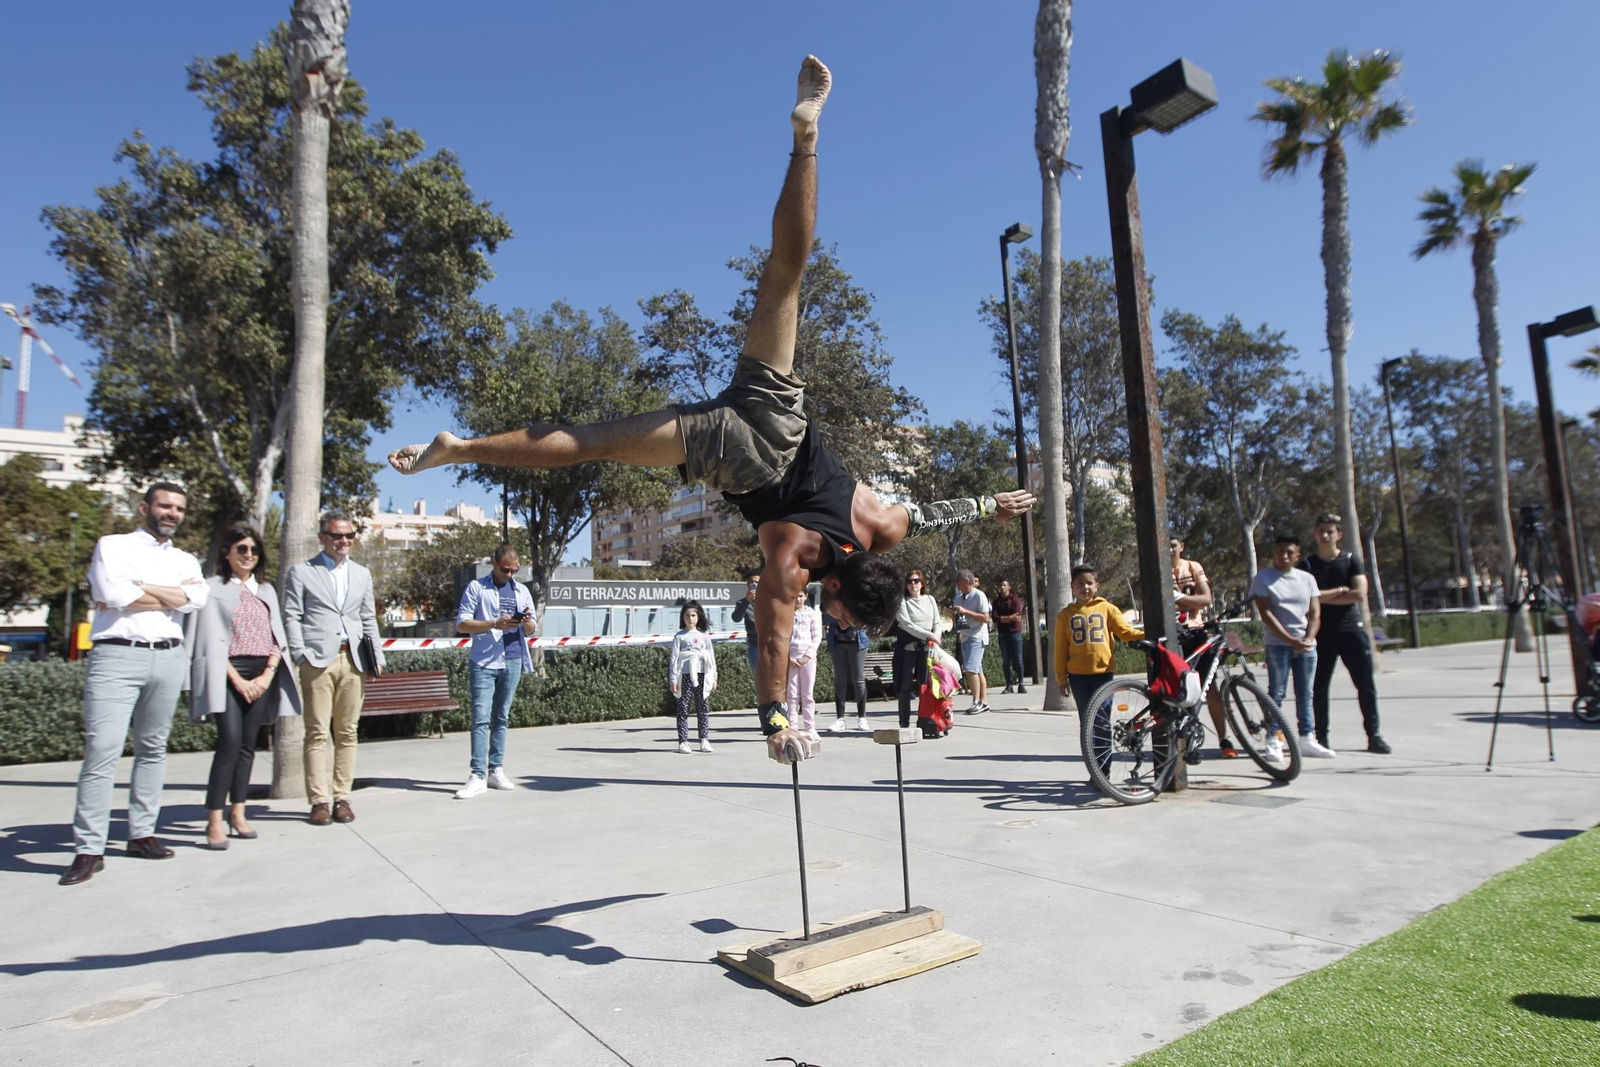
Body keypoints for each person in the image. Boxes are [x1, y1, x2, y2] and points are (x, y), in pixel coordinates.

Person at [385, 56, 1033, 765]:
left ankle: (806, 139)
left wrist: (990, 503)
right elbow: (776, 637)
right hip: (735, 453)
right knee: (591, 441)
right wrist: (773, 722)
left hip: (779, 412)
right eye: (846, 614)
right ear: (841, 591)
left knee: (787, 270)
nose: (840, 620)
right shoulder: (794, 559)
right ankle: (466, 446)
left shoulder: (883, 525)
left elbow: (936, 514)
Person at [60, 483, 208, 886]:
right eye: (164, 505)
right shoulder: (113, 545)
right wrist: (171, 596)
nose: (171, 513)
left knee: (153, 749)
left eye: (178, 508)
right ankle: (89, 848)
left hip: (168, 656)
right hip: (116, 655)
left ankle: (141, 834)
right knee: (102, 749)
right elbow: (111, 592)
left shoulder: (185, 558)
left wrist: (137, 590)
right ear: (145, 507)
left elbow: (197, 600)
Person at [186, 524, 302, 849]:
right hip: (227, 673)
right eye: (241, 549)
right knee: (229, 743)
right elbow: (209, 640)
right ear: (227, 552)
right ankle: (214, 821)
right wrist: (237, 680)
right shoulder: (211, 589)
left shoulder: (267, 591)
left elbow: (278, 639)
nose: (248, 555)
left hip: (261, 672)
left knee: (248, 747)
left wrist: (266, 675)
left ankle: (238, 814)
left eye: (253, 550)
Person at [283, 509, 385, 825]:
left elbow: (368, 618)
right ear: (323, 537)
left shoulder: (361, 574)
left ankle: (342, 798)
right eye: (337, 535)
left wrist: (376, 658)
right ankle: (319, 802)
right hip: (317, 660)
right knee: (316, 733)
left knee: (347, 732)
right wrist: (300, 653)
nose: (343, 541)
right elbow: (291, 615)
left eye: (349, 536)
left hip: (353, 660)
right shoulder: (301, 572)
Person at [1300, 513, 1391, 754]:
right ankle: (1321, 737)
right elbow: (1306, 597)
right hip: (1321, 634)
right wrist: (1340, 591)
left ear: (1339, 535)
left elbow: (1359, 594)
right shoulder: (1307, 566)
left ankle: (1374, 736)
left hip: (1352, 632)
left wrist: (1322, 596)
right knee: (1318, 688)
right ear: (1315, 533)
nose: (1325, 535)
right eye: (1321, 530)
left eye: (1330, 531)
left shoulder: (1351, 561)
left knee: (1365, 686)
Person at [453, 543, 537, 798]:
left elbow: (532, 629)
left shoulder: (522, 591)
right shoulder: (477, 587)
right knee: (480, 717)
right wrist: (493, 624)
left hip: (512, 659)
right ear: (494, 563)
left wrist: (527, 622)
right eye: (505, 569)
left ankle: (495, 769)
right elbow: (462, 624)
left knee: (501, 717)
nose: (509, 574)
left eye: (515, 570)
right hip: (484, 661)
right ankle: (477, 775)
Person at [1249, 534, 1334, 758]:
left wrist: (1308, 638)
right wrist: (1289, 639)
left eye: (1289, 552)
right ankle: (1273, 739)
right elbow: (1266, 614)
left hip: (1306, 646)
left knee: (1306, 692)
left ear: (1297, 555)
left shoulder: (1307, 579)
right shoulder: (1263, 579)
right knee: (1276, 693)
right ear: (1273, 552)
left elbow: (1315, 612)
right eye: (1279, 551)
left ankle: (1307, 737)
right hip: (1278, 645)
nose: (1283, 556)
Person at [1171, 536, 1236, 758]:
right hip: (1174, 635)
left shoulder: (1193, 566)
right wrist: (1190, 601)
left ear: (1181, 547)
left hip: (1197, 631)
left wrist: (1179, 598)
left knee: (1211, 688)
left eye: (1173, 545)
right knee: (1180, 689)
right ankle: (1182, 741)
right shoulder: (1160, 570)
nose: (1170, 550)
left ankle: (1223, 739)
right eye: (1165, 546)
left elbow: (1206, 599)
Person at [1053, 564, 1144, 715]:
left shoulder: (1107, 608)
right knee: (1086, 718)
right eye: (1080, 583)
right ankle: (1088, 740)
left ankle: (1104, 741)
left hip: (1104, 674)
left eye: (1089, 583)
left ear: (1097, 586)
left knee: (1102, 718)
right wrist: (1062, 680)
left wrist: (1147, 634)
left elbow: (1126, 632)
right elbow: (1060, 650)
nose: (1085, 587)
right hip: (1077, 676)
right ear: (1072, 586)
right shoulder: (1065, 615)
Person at [892, 570, 940, 729]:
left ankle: (925, 720)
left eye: (916, 580)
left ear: (922, 583)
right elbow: (906, 624)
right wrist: (929, 635)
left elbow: (937, 621)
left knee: (925, 685)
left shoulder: (930, 599)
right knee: (905, 686)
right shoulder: (902, 601)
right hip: (908, 647)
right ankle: (904, 723)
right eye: (910, 581)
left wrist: (936, 635)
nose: (913, 584)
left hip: (928, 647)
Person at [669, 600, 719, 753]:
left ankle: (704, 739)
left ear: (698, 617)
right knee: (683, 707)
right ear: (682, 618)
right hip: (684, 675)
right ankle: (683, 741)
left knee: (703, 707)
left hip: (702, 674)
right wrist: (672, 679)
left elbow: (711, 656)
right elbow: (674, 658)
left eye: (693, 615)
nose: (690, 618)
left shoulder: (704, 636)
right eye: (687, 615)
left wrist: (714, 677)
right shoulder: (680, 637)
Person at [952, 570, 992, 714]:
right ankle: (984, 701)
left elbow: (986, 618)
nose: (958, 585)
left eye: (959, 582)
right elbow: (958, 617)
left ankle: (976, 701)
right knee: (977, 670)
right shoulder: (958, 597)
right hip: (965, 635)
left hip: (977, 636)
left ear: (967, 582)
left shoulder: (979, 595)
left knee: (970, 669)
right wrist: (955, 616)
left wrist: (965, 612)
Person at [787, 589, 824, 742]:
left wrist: (807, 656)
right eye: (795, 596)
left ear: (806, 596)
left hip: (807, 658)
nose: (798, 599)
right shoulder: (787, 614)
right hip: (791, 658)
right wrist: (788, 657)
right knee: (792, 695)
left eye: (801, 596)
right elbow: (783, 637)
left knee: (807, 695)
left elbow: (817, 637)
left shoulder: (812, 614)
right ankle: (793, 727)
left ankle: (810, 728)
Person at [825, 612, 870, 732]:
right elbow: (826, 613)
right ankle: (840, 719)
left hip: (857, 641)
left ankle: (862, 718)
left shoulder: (857, 598)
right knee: (840, 680)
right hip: (837, 641)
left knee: (858, 680)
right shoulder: (834, 598)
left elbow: (866, 616)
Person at [993, 579, 1027, 695]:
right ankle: (1009, 685)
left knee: (1018, 659)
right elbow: (995, 618)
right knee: (1006, 661)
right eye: (1001, 585)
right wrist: (1008, 618)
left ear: (1009, 587)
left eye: (1004, 585)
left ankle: (1021, 683)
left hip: (1015, 633)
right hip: (1003, 634)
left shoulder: (1015, 600)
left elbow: (1017, 617)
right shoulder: (997, 602)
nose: (1002, 587)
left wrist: (1003, 619)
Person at [731, 573, 760, 675]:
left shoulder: (768, 601)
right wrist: (747, 602)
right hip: (754, 644)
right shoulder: (741, 603)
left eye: (757, 582)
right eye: (751, 582)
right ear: (747, 583)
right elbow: (736, 618)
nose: (754, 584)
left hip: (769, 645)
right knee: (758, 677)